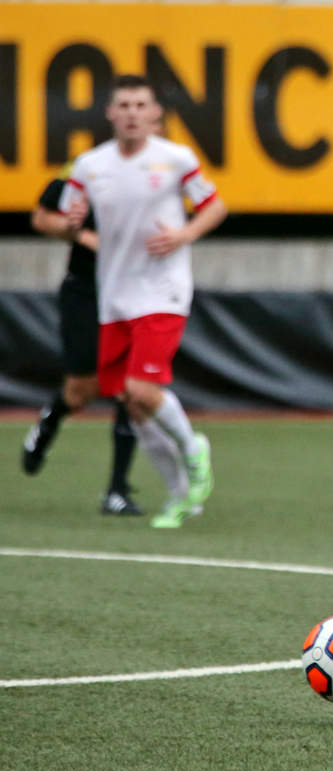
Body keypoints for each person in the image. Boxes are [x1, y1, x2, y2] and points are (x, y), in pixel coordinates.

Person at [59, 74, 227, 529]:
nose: (132, 113)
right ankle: (180, 496)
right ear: (111, 113)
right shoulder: (90, 165)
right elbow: (64, 218)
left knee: (142, 390)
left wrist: (184, 234)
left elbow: (214, 205)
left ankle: (193, 452)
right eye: (124, 105)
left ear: (155, 115)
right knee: (131, 405)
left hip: (164, 288)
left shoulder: (175, 159)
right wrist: (70, 222)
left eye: (141, 105)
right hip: (113, 294)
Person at [22, 164, 141, 515]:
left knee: (130, 388)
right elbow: (43, 217)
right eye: (126, 107)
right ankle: (51, 419)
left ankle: (116, 490)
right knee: (80, 390)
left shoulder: (165, 168)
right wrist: (77, 233)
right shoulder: (89, 167)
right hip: (87, 293)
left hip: (135, 291)